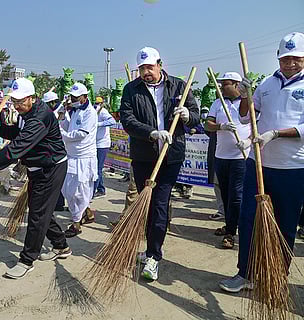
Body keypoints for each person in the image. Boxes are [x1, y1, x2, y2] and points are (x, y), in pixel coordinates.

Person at [0, 78, 70, 279]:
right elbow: (18, 133)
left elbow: (14, 150)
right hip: (37, 168)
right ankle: (61, 245)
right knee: (41, 211)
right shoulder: (26, 113)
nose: (17, 105)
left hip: (51, 168)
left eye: (21, 101)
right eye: (15, 102)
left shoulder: (40, 117)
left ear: (32, 98)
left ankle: (27, 260)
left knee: (37, 215)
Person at [220, 32, 304, 292]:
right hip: (258, 166)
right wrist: (246, 94)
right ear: (278, 58)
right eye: (285, 59)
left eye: (296, 59)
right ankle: (245, 273)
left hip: (292, 168)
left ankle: (276, 277)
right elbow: (247, 117)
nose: (289, 64)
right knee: (248, 220)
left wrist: (276, 134)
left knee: (285, 225)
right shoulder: (267, 84)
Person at [120, 47, 200, 280]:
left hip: (171, 155)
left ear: (160, 64)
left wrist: (186, 115)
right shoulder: (131, 90)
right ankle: (149, 249)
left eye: (150, 67)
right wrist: (152, 133)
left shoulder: (178, 86)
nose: (146, 72)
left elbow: (195, 115)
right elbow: (127, 120)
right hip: (144, 155)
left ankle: (154, 256)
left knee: (160, 203)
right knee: (147, 205)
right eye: (142, 68)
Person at [205, 72, 251, 249]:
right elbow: (207, 124)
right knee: (225, 194)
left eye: (225, 84)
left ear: (237, 85)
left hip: (240, 157)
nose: (221, 88)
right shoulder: (218, 103)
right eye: (221, 84)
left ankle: (232, 232)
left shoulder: (248, 104)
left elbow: (257, 125)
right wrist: (220, 126)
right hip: (221, 156)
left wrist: (247, 141)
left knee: (236, 195)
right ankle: (229, 224)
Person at [60, 82, 98, 237]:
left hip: (84, 158)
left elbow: (81, 134)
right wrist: (63, 119)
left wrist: (62, 135)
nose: (74, 99)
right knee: (68, 190)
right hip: (71, 156)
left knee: (79, 192)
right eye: (72, 97)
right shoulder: (75, 110)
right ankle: (86, 213)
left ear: (84, 97)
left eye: (76, 97)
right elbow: (70, 127)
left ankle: (76, 224)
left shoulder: (90, 113)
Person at [93, 96, 116, 198]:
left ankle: (96, 191)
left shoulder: (103, 111)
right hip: (94, 143)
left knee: (97, 168)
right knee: (95, 168)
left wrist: (98, 124)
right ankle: (101, 188)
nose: (97, 105)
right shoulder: (92, 110)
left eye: (98, 103)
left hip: (102, 144)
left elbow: (112, 121)